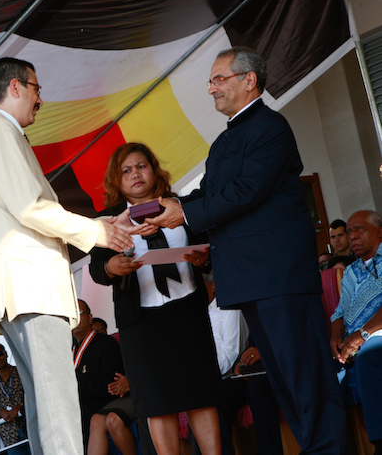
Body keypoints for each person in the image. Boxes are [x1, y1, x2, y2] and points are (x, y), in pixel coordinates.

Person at [147, 46, 345, 453]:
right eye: (211, 81)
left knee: (307, 380)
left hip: (280, 277)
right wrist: (176, 206)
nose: (211, 89)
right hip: (252, 280)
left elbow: (245, 191)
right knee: (286, 386)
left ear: (248, 80)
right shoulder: (224, 142)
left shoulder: (270, 128)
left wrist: (184, 214)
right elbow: (210, 194)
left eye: (219, 79)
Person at [0, 56, 140, 454]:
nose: (41, 99)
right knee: (58, 407)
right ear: (15, 87)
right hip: (32, 289)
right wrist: (98, 231)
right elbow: (31, 208)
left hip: (22, 290)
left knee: (46, 408)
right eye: (37, 89)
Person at [89, 142, 222, 455]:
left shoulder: (179, 206)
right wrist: (112, 265)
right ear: (116, 180)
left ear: (154, 170)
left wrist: (204, 261)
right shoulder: (109, 220)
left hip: (188, 315)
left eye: (141, 166)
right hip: (142, 326)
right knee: (158, 403)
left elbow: (209, 248)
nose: (135, 174)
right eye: (126, 170)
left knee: (200, 396)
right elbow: (97, 268)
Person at [330, 210, 382, 453]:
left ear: (379, 231)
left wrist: (361, 336)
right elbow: (339, 313)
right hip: (353, 342)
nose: (352, 236)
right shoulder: (350, 272)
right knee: (325, 374)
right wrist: (336, 338)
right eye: (349, 231)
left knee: (367, 360)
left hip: (376, 335)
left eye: (359, 229)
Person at [72, 299, 124, 448]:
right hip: (78, 406)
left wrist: (75, 390)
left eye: (79, 313)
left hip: (100, 404)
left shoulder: (106, 343)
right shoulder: (69, 348)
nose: (74, 317)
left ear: (90, 318)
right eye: (71, 314)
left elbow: (110, 383)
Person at [0, 343, 29, 455]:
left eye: (0, 354)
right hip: (10, 436)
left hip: (30, 426)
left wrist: (20, 406)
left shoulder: (21, 372)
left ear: (6, 354)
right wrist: (1, 413)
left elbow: (34, 393)